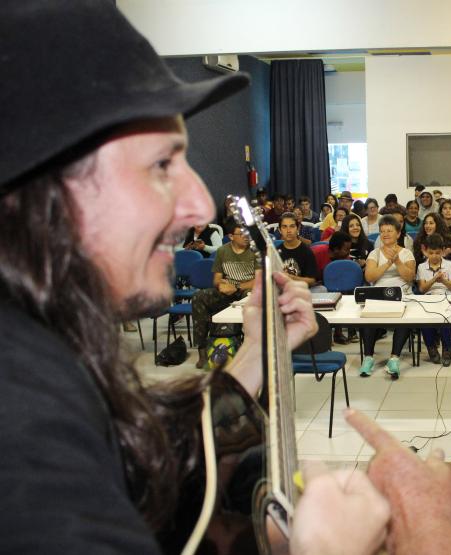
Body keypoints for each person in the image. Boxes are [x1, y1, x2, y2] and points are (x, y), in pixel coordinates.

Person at [0, 4, 394, 553]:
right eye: (162, 164)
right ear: (45, 189)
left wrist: (260, 350)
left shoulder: (45, 351)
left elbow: (144, 462)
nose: (199, 203)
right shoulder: (20, 421)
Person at [192, 222, 259, 368]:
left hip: (244, 290)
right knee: (199, 297)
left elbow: (259, 280)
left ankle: (248, 350)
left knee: (251, 296)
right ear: (231, 236)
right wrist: (221, 286)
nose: (246, 237)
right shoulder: (222, 251)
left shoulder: (255, 251)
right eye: (241, 234)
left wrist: (235, 286)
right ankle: (202, 351)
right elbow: (216, 279)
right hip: (227, 291)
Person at [360, 215, 416, 379]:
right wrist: (387, 263)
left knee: (405, 318)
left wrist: (397, 261)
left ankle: (394, 358)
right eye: (382, 231)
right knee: (366, 318)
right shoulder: (374, 253)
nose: (385, 234)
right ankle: (368, 357)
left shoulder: (406, 253)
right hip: (379, 295)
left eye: (389, 231)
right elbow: (370, 277)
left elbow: (409, 277)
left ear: (398, 234)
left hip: (402, 294)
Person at [416, 234, 451, 366]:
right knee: (424, 320)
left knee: (446, 318)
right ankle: (431, 347)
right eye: (431, 253)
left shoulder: (449, 265)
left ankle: (447, 348)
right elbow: (422, 289)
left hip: (447, 297)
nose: (434, 256)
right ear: (425, 251)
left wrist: (444, 280)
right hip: (429, 299)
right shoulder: (421, 267)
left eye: (437, 253)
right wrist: (434, 279)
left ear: (443, 251)